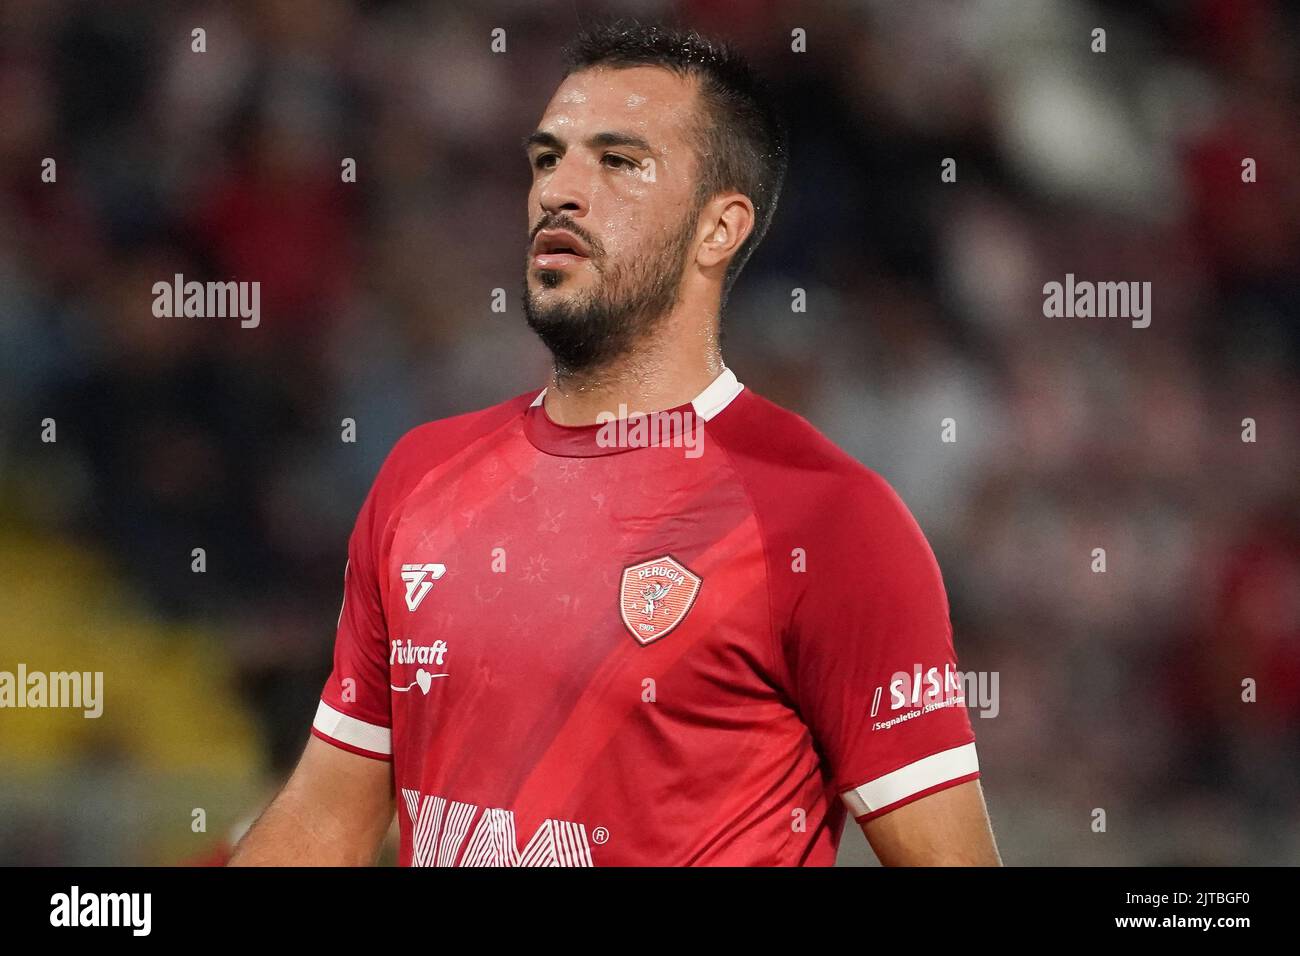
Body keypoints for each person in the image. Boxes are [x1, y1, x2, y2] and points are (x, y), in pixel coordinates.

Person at [230, 20, 1000, 867]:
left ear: (720, 229)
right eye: (547, 158)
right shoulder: (421, 476)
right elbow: (325, 824)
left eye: (619, 161)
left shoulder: (830, 521)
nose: (560, 191)